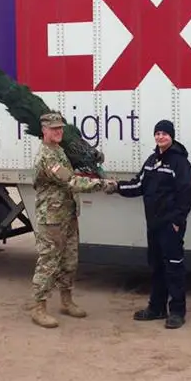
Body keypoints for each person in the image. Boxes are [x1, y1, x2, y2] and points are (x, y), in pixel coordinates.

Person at [105, 119, 191, 329]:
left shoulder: (179, 163)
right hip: (153, 224)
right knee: (156, 267)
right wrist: (116, 187)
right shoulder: (152, 160)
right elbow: (139, 185)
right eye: (157, 133)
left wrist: (176, 221)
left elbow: (186, 195)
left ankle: (177, 312)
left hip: (170, 225)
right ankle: (156, 308)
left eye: (164, 133)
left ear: (171, 136)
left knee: (174, 268)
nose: (160, 137)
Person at [30, 112, 117, 328]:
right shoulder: (46, 156)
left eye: (60, 128)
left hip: (67, 215)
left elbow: (72, 172)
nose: (58, 132)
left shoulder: (59, 150)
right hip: (51, 218)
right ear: (44, 130)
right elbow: (69, 181)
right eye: (53, 129)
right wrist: (101, 184)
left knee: (69, 260)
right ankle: (38, 308)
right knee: (49, 262)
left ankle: (66, 301)